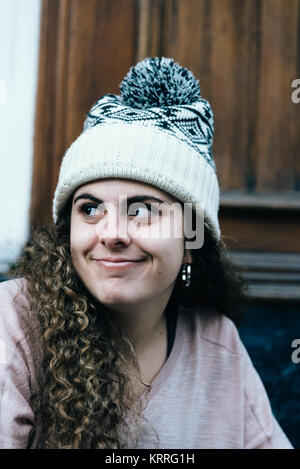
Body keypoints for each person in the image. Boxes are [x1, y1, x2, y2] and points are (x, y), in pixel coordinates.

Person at [0, 57, 293, 449]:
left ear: (192, 240)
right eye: (90, 208)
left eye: (141, 210)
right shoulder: (14, 323)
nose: (112, 233)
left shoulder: (217, 345)